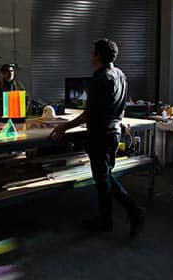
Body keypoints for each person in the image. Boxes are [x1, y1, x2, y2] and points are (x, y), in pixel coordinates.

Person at [50, 38, 145, 237]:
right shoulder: (120, 74)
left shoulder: (100, 78)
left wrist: (64, 127)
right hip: (113, 133)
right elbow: (121, 104)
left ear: (99, 56)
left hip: (100, 135)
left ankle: (130, 212)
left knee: (102, 178)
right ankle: (107, 218)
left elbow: (88, 114)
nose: (90, 56)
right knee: (105, 177)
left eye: (92, 52)